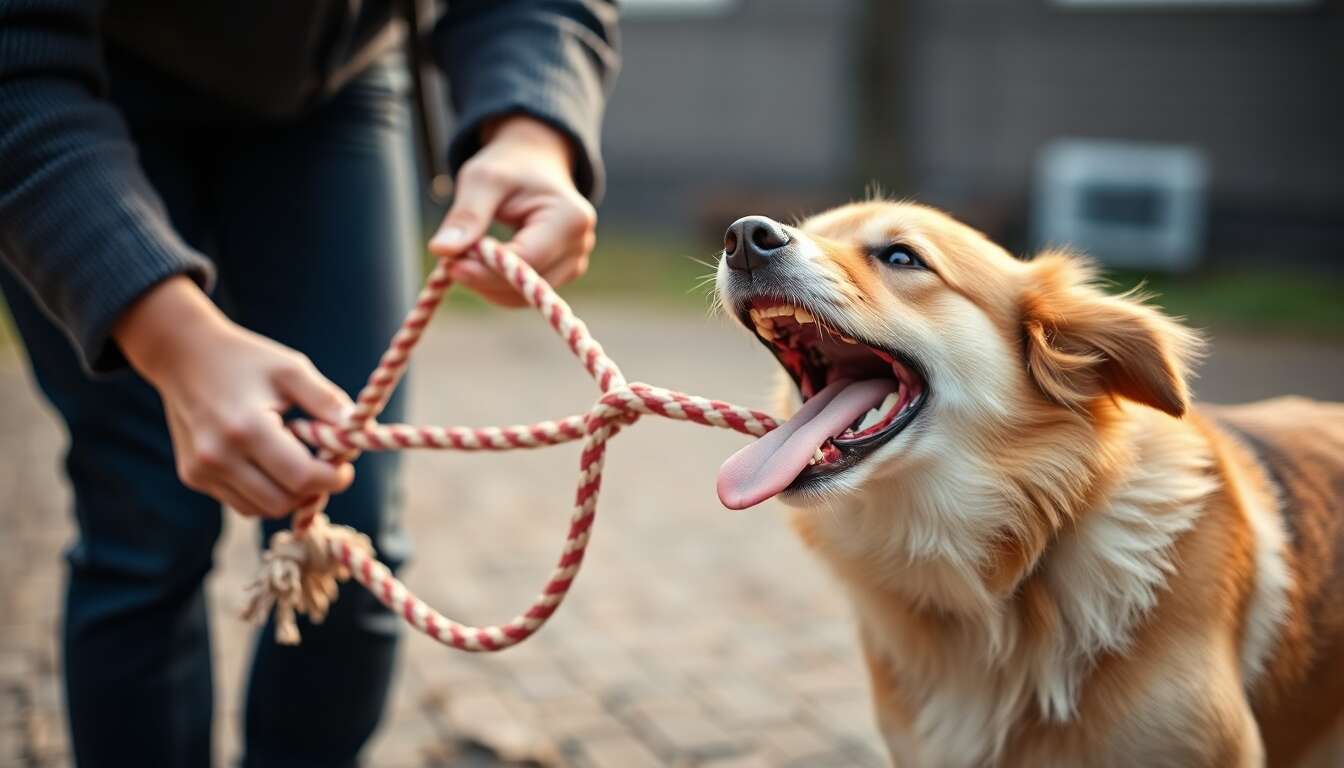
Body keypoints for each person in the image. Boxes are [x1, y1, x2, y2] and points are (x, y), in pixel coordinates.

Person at [0, 1, 619, 765]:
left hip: (334, 87)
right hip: (70, 98)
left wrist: (534, 126)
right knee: (144, 524)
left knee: (349, 534)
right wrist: (164, 334)